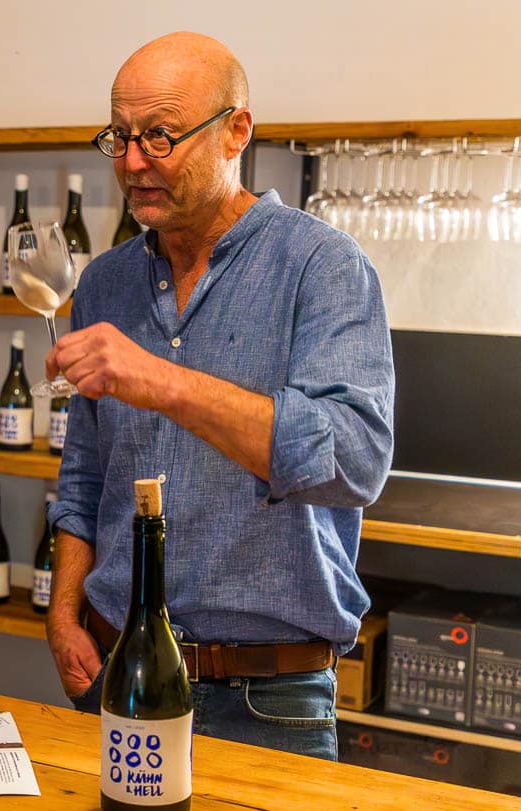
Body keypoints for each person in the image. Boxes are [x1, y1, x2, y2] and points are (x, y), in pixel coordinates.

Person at [44, 32, 394, 761]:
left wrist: (163, 381)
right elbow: (83, 473)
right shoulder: (106, 283)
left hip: (269, 698)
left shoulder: (322, 267)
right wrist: (64, 605)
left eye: (161, 136)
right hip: (120, 673)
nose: (133, 161)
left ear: (237, 129)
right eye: (122, 136)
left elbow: (355, 460)